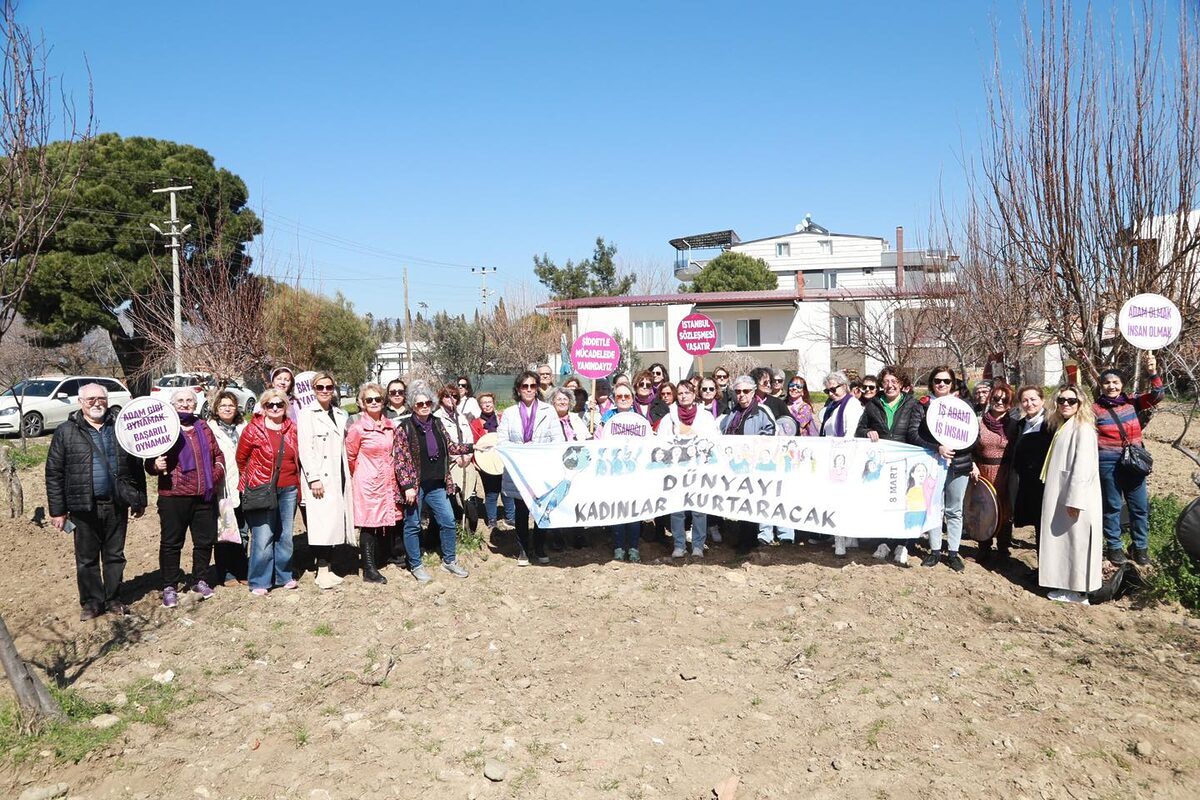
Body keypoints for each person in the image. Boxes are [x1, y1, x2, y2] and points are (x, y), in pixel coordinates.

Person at [46, 383, 147, 620]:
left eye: (101, 398)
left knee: (115, 556)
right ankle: (92, 602)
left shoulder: (121, 428)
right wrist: (58, 511)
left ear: (107, 400)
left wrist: (139, 499)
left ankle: (113, 598)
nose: (96, 403)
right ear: (80, 402)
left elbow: (136, 467)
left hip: (116, 504)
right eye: (90, 399)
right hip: (83, 506)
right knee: (87, 558)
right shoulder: (66, 431)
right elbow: (54, 472)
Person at [148, 388, 226, 607]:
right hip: (174, 495)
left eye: (189, 400)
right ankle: (169, 586)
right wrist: (155, 465)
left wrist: (215, 473)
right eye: (180, 401)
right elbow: (148, 460)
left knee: (204, 541)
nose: (185, 404)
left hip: (204, 494)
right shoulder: (164, 428)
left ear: (195, 404)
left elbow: (217, 454)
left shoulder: (203, 427)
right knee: (172, 543)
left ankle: (199, 579)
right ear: (172, 405)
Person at [394, 381, 471, 581]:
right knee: (413, 525)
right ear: (412, 406)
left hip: (438, 483)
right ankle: (416, 564)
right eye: (419, 404)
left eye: (428, 402)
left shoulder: (437, 423)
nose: (424, 406)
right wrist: (408, 486)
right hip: (416, 486)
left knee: (448, 521)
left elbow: (451, 447)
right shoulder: (405, 428)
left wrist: (473, 447)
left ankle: (449, 561)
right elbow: (400, 460)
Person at [1093, 354, 1163, 566]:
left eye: (1115, 382)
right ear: (1101, 385)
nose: (1111, 386)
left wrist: (1152, 372)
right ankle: (1114, 547)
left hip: (1133, 461)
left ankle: (1140, 548)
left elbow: (1158, 395)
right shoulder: (1094, 410)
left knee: (1139, 506)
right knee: (1112, 506)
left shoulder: (1132, 402)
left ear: (1122, 384)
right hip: (1108, 462)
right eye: (1107, 382)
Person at [904, 365, 973, 572]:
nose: (941, 384)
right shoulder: (922, 405)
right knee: (934, 507)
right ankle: (934, 550)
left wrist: (957, 448)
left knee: (955, 509)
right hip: (932, 463)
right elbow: (913, 434)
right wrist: (938, 448)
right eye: (937, 381)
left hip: (958, 464)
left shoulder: (963, 406)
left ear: (953, 384)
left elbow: (973, 436)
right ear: (931, 383)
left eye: (946, 381)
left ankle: (953, 552)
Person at [1040, 385, 1102, 603]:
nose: (1065, 404)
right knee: (1066, 542)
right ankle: (1066, 586)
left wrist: (1075, 499)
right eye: (1061, 400)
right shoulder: (1064, 426)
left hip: (1075, 496)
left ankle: (1076, 591)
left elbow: (1083, 467)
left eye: (1071, 401)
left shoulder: (1083, 429)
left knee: (1076, 542)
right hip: (1064, 493)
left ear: (1081, 404)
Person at [237, 388, 302, 596]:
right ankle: (259, 580)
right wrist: (254, 479)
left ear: (286, 407)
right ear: (263, 408)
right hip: (262, 489)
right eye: (270, 405)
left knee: (285, 535)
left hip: (289, 487)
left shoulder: (292, 428)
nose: (275, 408)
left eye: (279, 404)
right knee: (263, 536)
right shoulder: (253, 429)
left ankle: (283, 575)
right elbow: (241, 458)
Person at [296, 372, 356, 589]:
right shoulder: (306, 414)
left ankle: (329, 568)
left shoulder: (340, 414)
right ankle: (321, 570)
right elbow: (305, 449)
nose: (324, 391)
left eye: (328, 387)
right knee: (321, 524)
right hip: (320, 478)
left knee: (333, 523)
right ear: (313, 389)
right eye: (320, 387)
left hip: (338, 475)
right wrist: (313, 478)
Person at [857, 366, 922, 566]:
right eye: (886, 382)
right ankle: (883, 542)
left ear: (902, 385)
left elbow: (919, 432)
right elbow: (858, 430)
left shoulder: (913, 405)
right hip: (882, 463)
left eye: (894, 381)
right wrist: (867, 432)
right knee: (883, 503)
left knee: (903, 504)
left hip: (906, 463)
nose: (890, 385)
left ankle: (903, 544)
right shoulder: (873, 405)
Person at [495, 371, 556, 564]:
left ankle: (539, 547)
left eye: (532, 386)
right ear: (518, 390)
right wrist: (522, 450)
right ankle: (523, 549)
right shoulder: (510, 414)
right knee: (521, 512)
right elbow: (502, 441)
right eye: (525, 386)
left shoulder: (548, 411)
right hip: (519, 471)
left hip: (541, 470)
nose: (529, 390)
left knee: (542, 510)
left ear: (537, 388)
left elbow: (558, 441)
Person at [346, 383, 400, 585]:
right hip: (367, 482)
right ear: (362, 403)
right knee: (368, 524)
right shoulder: (358, 428)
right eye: (369, 400)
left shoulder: (389, 426)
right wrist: (363, 474)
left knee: (385, 520)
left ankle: (383, 557)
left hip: (386, 480)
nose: (374, 403)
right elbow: (350, 456)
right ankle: (368, 568)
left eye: (378, 399)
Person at [658, 380, 716, 558]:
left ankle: (698, 544)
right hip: (677, 470)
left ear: (694, 394)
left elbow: (713, 440)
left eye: (687, 392)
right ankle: (679, 544)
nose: (683, 396)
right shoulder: (669, 418)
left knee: (699, 508)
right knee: (677, 509)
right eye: (680, 393)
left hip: (699, 469)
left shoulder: (705, 417)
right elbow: (662, 442)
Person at [719, 375, 776, 554]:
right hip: (738, 467)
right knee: (743, 503)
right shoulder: (732, 413)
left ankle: (753, 540)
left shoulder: (762, 411)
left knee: (754, 502)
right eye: (738, 392)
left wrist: (756, 446)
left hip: (756, 465)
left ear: (753, 392)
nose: (741, 395)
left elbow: (772, 432)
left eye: (745, 391)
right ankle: (744, 539)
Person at [597, 383, 648, 561]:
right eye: (620, 396)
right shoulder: (606, 419)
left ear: (632, 398)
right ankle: (618, 546)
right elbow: (598, 441)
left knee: (634, 511)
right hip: (614, 472)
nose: (624, 399)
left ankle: (633, 547)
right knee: (617, 510)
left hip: (635, 473)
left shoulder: (641, 420)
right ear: (614, 399)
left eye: (627, 396)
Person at [971, 381, 1017, 562]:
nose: (999, 402)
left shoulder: (1013, 425)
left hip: (1004, 472)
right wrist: (972, 465)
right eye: (996, 398)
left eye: (1004, 400)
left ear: (1010, 404)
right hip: (982, 471)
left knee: (1004, 512)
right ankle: (984, 548)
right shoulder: (978, 423)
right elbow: (971, 449)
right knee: (984, 510)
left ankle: (1003, 549)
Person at [210, 390, 248, 586]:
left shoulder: (243, 427)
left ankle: (242, 570)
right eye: (223, 405)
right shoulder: (210, 429)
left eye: (231, 405)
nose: (227, 408)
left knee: (242, 531)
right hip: (224, 488)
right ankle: (226, 574)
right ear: (217, 408)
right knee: (225, 532)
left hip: (244, 486)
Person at [435, 383, 483, 532]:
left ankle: (469, 530)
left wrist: (468, 456)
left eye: (455, 396)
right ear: (441, 398)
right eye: (447, 396)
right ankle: (452, 528)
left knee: (468, 497)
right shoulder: (436, 418)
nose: (451, 399)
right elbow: (439, 444)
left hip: (466, 461)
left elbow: (469, 439)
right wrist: (455, 458)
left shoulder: (460, 417)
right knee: (450, 497)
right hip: (448, 463)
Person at [549, 386, 591, 549]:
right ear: (552, 402)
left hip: (576, 466)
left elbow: (586, 438)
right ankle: (557, 536)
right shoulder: (548, 419)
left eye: (565, 399)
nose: (562, 401)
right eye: (558, 399)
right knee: (557, 500)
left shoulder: (575, 419)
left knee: (576, 500)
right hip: (556, 467)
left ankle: (578, 533)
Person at [1010, 385, 1053, 544]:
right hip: (1029, 483)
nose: (1029, 404)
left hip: (1048, 482)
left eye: (1033, 399)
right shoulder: (1021, 425)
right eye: (1025, 401)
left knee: (1048, 525)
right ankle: (1041, 567)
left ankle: (1050, 567)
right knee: (1038, 524)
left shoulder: (1052, 423)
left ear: (1042, 400)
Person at [472, 391, 515, 531]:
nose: (487, 405)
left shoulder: (502, 419)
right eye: (484, 403)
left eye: (489, 402)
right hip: (486, 463)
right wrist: (475, 461)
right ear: (480, 406)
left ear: (493, 402)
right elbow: (473, 443)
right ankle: (492, 521)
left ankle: (511, 518)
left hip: (504, 461)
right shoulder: (475, 423)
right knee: (491, 493)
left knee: (507, 491)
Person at [821, 371, 864, 438]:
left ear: (844, 386)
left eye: (833, 389)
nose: (830, 394)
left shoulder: (852, 404)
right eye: (827, 391)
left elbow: (851, 432)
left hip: (844, 446)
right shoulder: (831, 406)